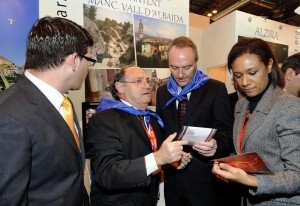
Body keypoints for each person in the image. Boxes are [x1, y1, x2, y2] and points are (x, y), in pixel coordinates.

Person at [0, 16, 94, 205]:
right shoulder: (9, 117)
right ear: (74, 60)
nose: (89, 69)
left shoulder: (64, 103)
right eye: (90, 61)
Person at [85, 66, 191, 206]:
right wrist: (159, 157)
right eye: (138, 81)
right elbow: (108, 174)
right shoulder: (103, 120)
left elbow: (151, 159)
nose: (147, 86)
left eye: (147, 81)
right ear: (120, 87)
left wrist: (173, 161)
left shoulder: (152, 119)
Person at [212, 38, 300, 205]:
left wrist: (251, 181)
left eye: (252, 73)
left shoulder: (290, 106)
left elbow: (297, 176)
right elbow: (247, 151)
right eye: (238, 75)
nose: (244, 82)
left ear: (269, 65)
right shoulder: (241, 105)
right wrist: (226, 165)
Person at [156, 36, 235, 206]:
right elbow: (161, 131)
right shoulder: (162, 92)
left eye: (187, 67)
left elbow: (227, 131)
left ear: (197, 61)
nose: (180, 74)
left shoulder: (215, 89)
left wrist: (216, 144)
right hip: (173, 180)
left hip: (204, 182)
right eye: (174, 67)